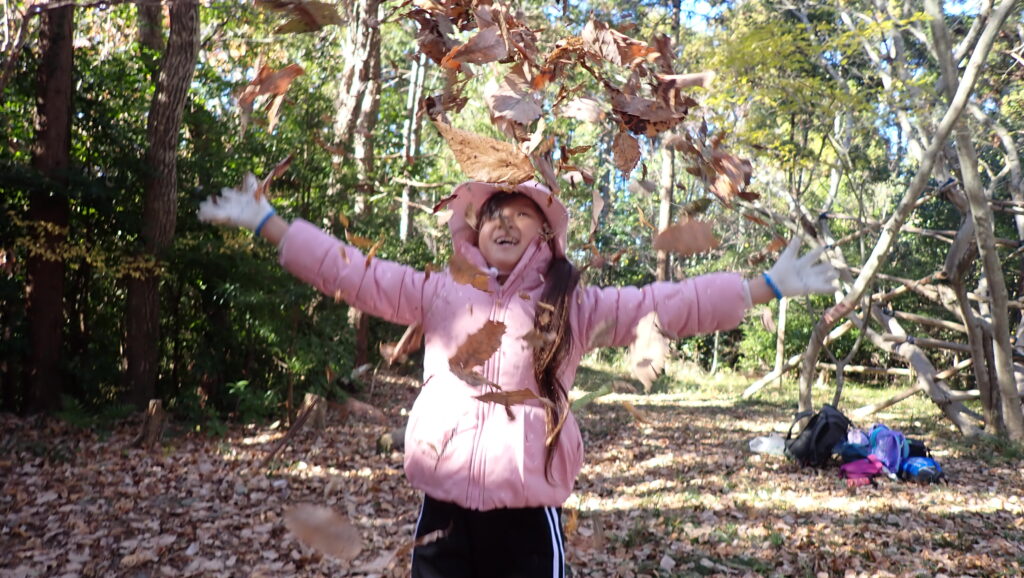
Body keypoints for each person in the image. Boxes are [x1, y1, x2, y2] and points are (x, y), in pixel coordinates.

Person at [198, 174, 838, 577]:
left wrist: (763, 286)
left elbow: (664, 306)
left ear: (545, 236)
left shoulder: (574, 306)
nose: (505, 219)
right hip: (442, 508)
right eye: (494, 211)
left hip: (528, 517)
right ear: (474, 230)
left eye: (521, 211)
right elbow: (354, 273)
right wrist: (269, 222)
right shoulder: (436, 291)